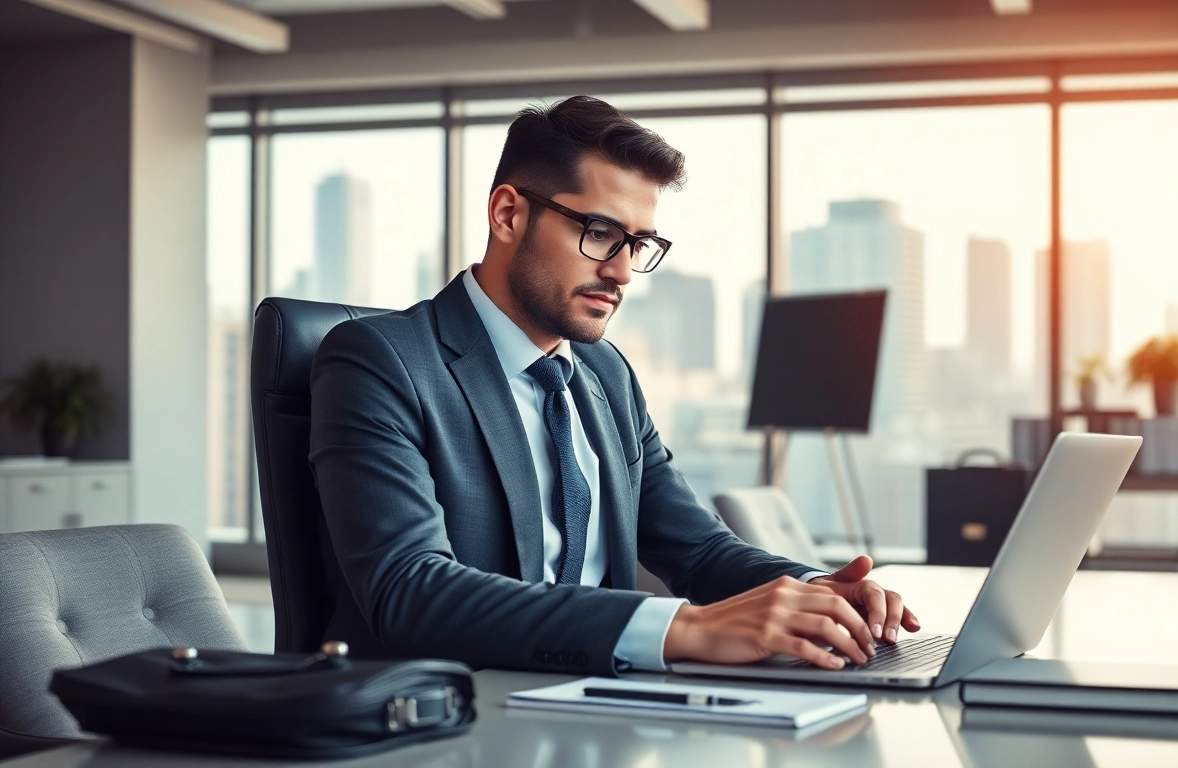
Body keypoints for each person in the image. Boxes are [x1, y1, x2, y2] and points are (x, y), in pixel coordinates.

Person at [309, 95, 919, 676]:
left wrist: (819, 594)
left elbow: (699, 550)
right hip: (450, 724)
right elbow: (410, 592)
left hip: (602, 713)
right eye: (599, 232)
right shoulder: (380, 361)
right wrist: (682, 629)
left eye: (639, 244)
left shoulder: (606, 376)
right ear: (507, 214)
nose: (623, 271)